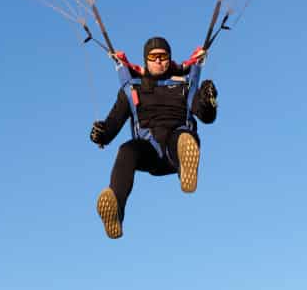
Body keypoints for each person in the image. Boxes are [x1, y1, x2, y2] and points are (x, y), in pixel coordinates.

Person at [89, 36, 219, 239]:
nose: (158, 61)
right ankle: (115, 210)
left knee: (182, 137)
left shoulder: (184, 86)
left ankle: (186, 169)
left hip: (176, 144)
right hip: (150, 151)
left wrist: (208, 102)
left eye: (163, 56)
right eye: (153, 57)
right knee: (127, 150)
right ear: (146, 60)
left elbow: (205, 116)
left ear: (169, 59)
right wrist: (101, 134)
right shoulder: (132, 89)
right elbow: (113, 123)